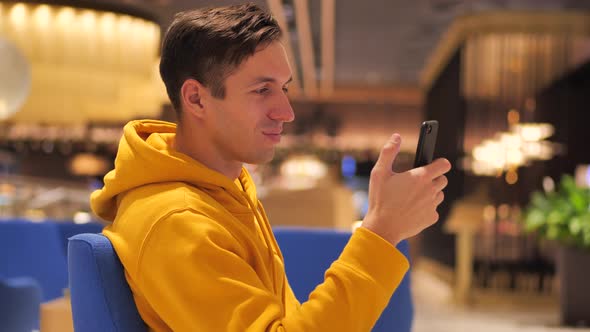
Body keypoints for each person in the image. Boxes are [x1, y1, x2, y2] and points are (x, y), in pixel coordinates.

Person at [90, 3, 451, 331]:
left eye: (284, 89)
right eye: (262, 90)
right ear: (196, 98)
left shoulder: (224, 188)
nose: (286, 112)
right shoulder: (176, 222)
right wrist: (382, 232)